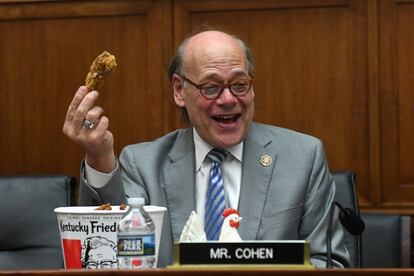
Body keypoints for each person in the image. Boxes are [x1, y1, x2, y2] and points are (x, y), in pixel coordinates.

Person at [63, 30, 351, 268]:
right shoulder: (144, 164)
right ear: (179, 90)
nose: (228, 99)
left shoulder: (302, 157)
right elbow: (110, 255)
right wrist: (99, 156)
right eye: (211, 88)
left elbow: (330, 262)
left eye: (239, 84)